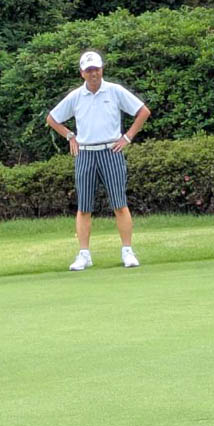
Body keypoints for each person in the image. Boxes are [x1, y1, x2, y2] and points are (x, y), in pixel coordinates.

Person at [45, 51, 152, 271]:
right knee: (84, 207)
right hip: (85, 153)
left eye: (96, 69)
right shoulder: (76, 96)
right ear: (82, 73)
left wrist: (127, 137)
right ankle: (84, 255)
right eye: (89, 70)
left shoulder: (114, 91)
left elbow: (143, 111)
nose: (93, 73)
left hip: (111, 151)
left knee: (119, 204)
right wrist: (70, 136)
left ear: (102, 69)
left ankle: (127, 251)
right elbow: (52, 119)